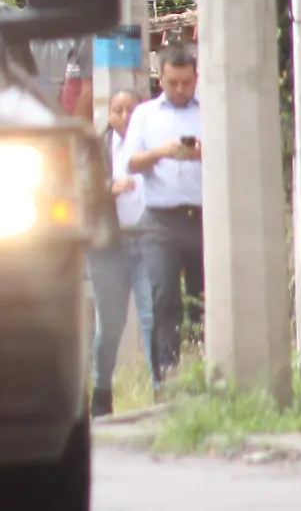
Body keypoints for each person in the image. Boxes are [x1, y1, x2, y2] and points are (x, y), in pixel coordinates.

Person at [123, 44, 204, 393]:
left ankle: (206, 369)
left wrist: (201, 154)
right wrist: (161, 152)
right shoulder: (145, 115)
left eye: (186, 83)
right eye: (173, 83)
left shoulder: (210, 112)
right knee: (164, 297)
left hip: (202, 216)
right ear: (161, 78)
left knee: (203, 297)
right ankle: (165, 379)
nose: (180, 90)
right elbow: (130, 163)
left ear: (196, 79)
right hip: (159, 219)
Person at [88, 87, 156, 417]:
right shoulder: (95, 148)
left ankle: (162, 389)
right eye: (118, 110)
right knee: (110, 325)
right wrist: (109, 188)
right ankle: (101, 394)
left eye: (131, 109)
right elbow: (78, 188)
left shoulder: (153, 142)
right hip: (108, 247)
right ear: (109, 114)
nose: (125, 117)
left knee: (152, 317)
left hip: (146, 242)